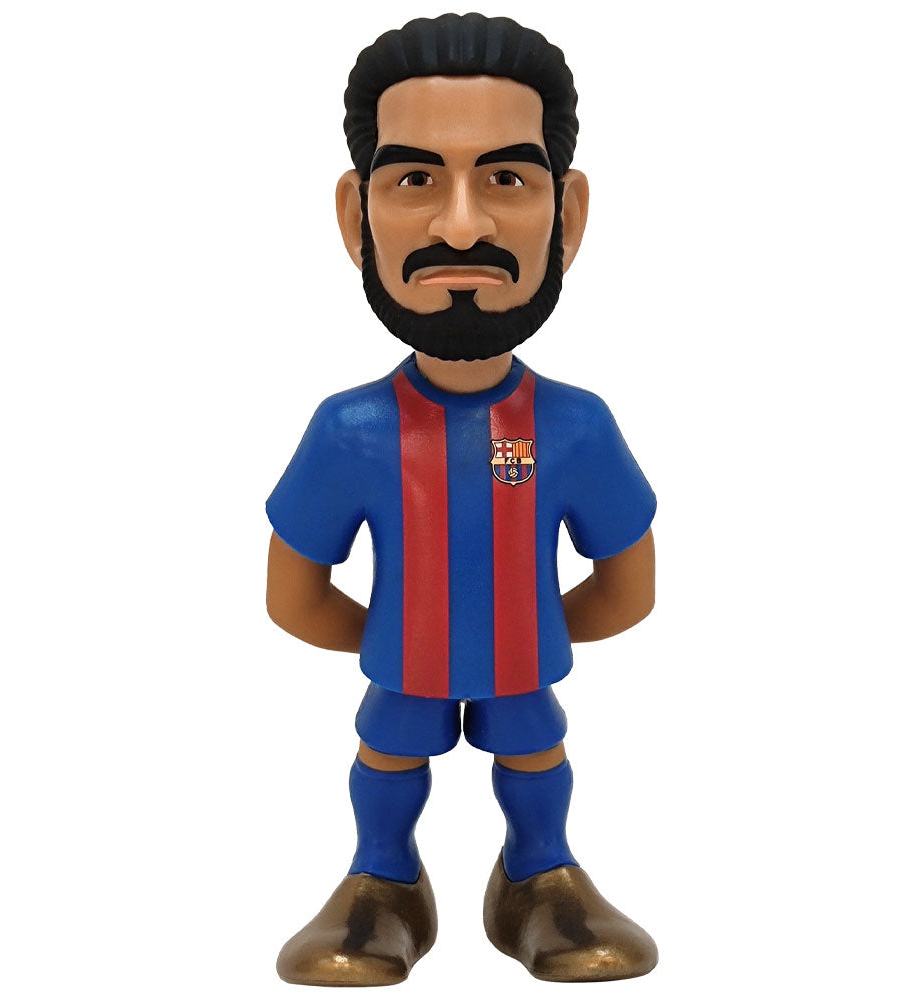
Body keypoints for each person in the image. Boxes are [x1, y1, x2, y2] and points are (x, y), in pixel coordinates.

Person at [266, 13, 659, 985]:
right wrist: (398, 637)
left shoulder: (576, 427)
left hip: (522, 669)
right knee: (387, 760)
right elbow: (292, 595)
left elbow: (629, 586)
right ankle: (381, 881)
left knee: (534, 758)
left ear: (566, 215)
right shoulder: (347, 431)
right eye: (413, 180)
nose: (460, 226)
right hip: (402, 667)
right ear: (355, 216)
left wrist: (521, 628)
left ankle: (539, 876)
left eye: (506, 179)